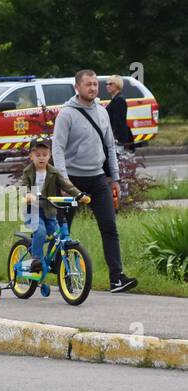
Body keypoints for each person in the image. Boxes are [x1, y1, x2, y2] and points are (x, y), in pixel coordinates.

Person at [52, 69, 138, 292]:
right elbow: (58, 149)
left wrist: (115, 178)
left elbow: (110, 146)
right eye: (88, 84)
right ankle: (66, 275)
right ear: (77, 87)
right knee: (65, 232)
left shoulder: (102, 111)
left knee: (109, 227)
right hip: (71, 180)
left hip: (98, 179)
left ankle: (117, 278)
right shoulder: (66, 114)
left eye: (95, 84)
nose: (92, 88)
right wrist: (63, 182)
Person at [19, 136, 89, 274]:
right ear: (31, 156)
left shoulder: (53, 172)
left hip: (50, 211)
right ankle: (36, 259)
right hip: (33, 211)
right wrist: (28, 195)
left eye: (44, 155)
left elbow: (66, 185)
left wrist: (79, 195)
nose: (41, 158)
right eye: (37, 155)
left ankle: (50, 261)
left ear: (50, 155)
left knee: (58, 236)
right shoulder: (27, 172)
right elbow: (23, 187)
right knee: (40, 232)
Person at [106, 75, 136, 156]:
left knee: (119, 161)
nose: (107, 86)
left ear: (117, 85)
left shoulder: (119, 99)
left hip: (119, 138)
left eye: (110, 84)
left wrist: (115, 137)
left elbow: (119, 121)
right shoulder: (115, 99)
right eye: (107, 84)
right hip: (116, 136)